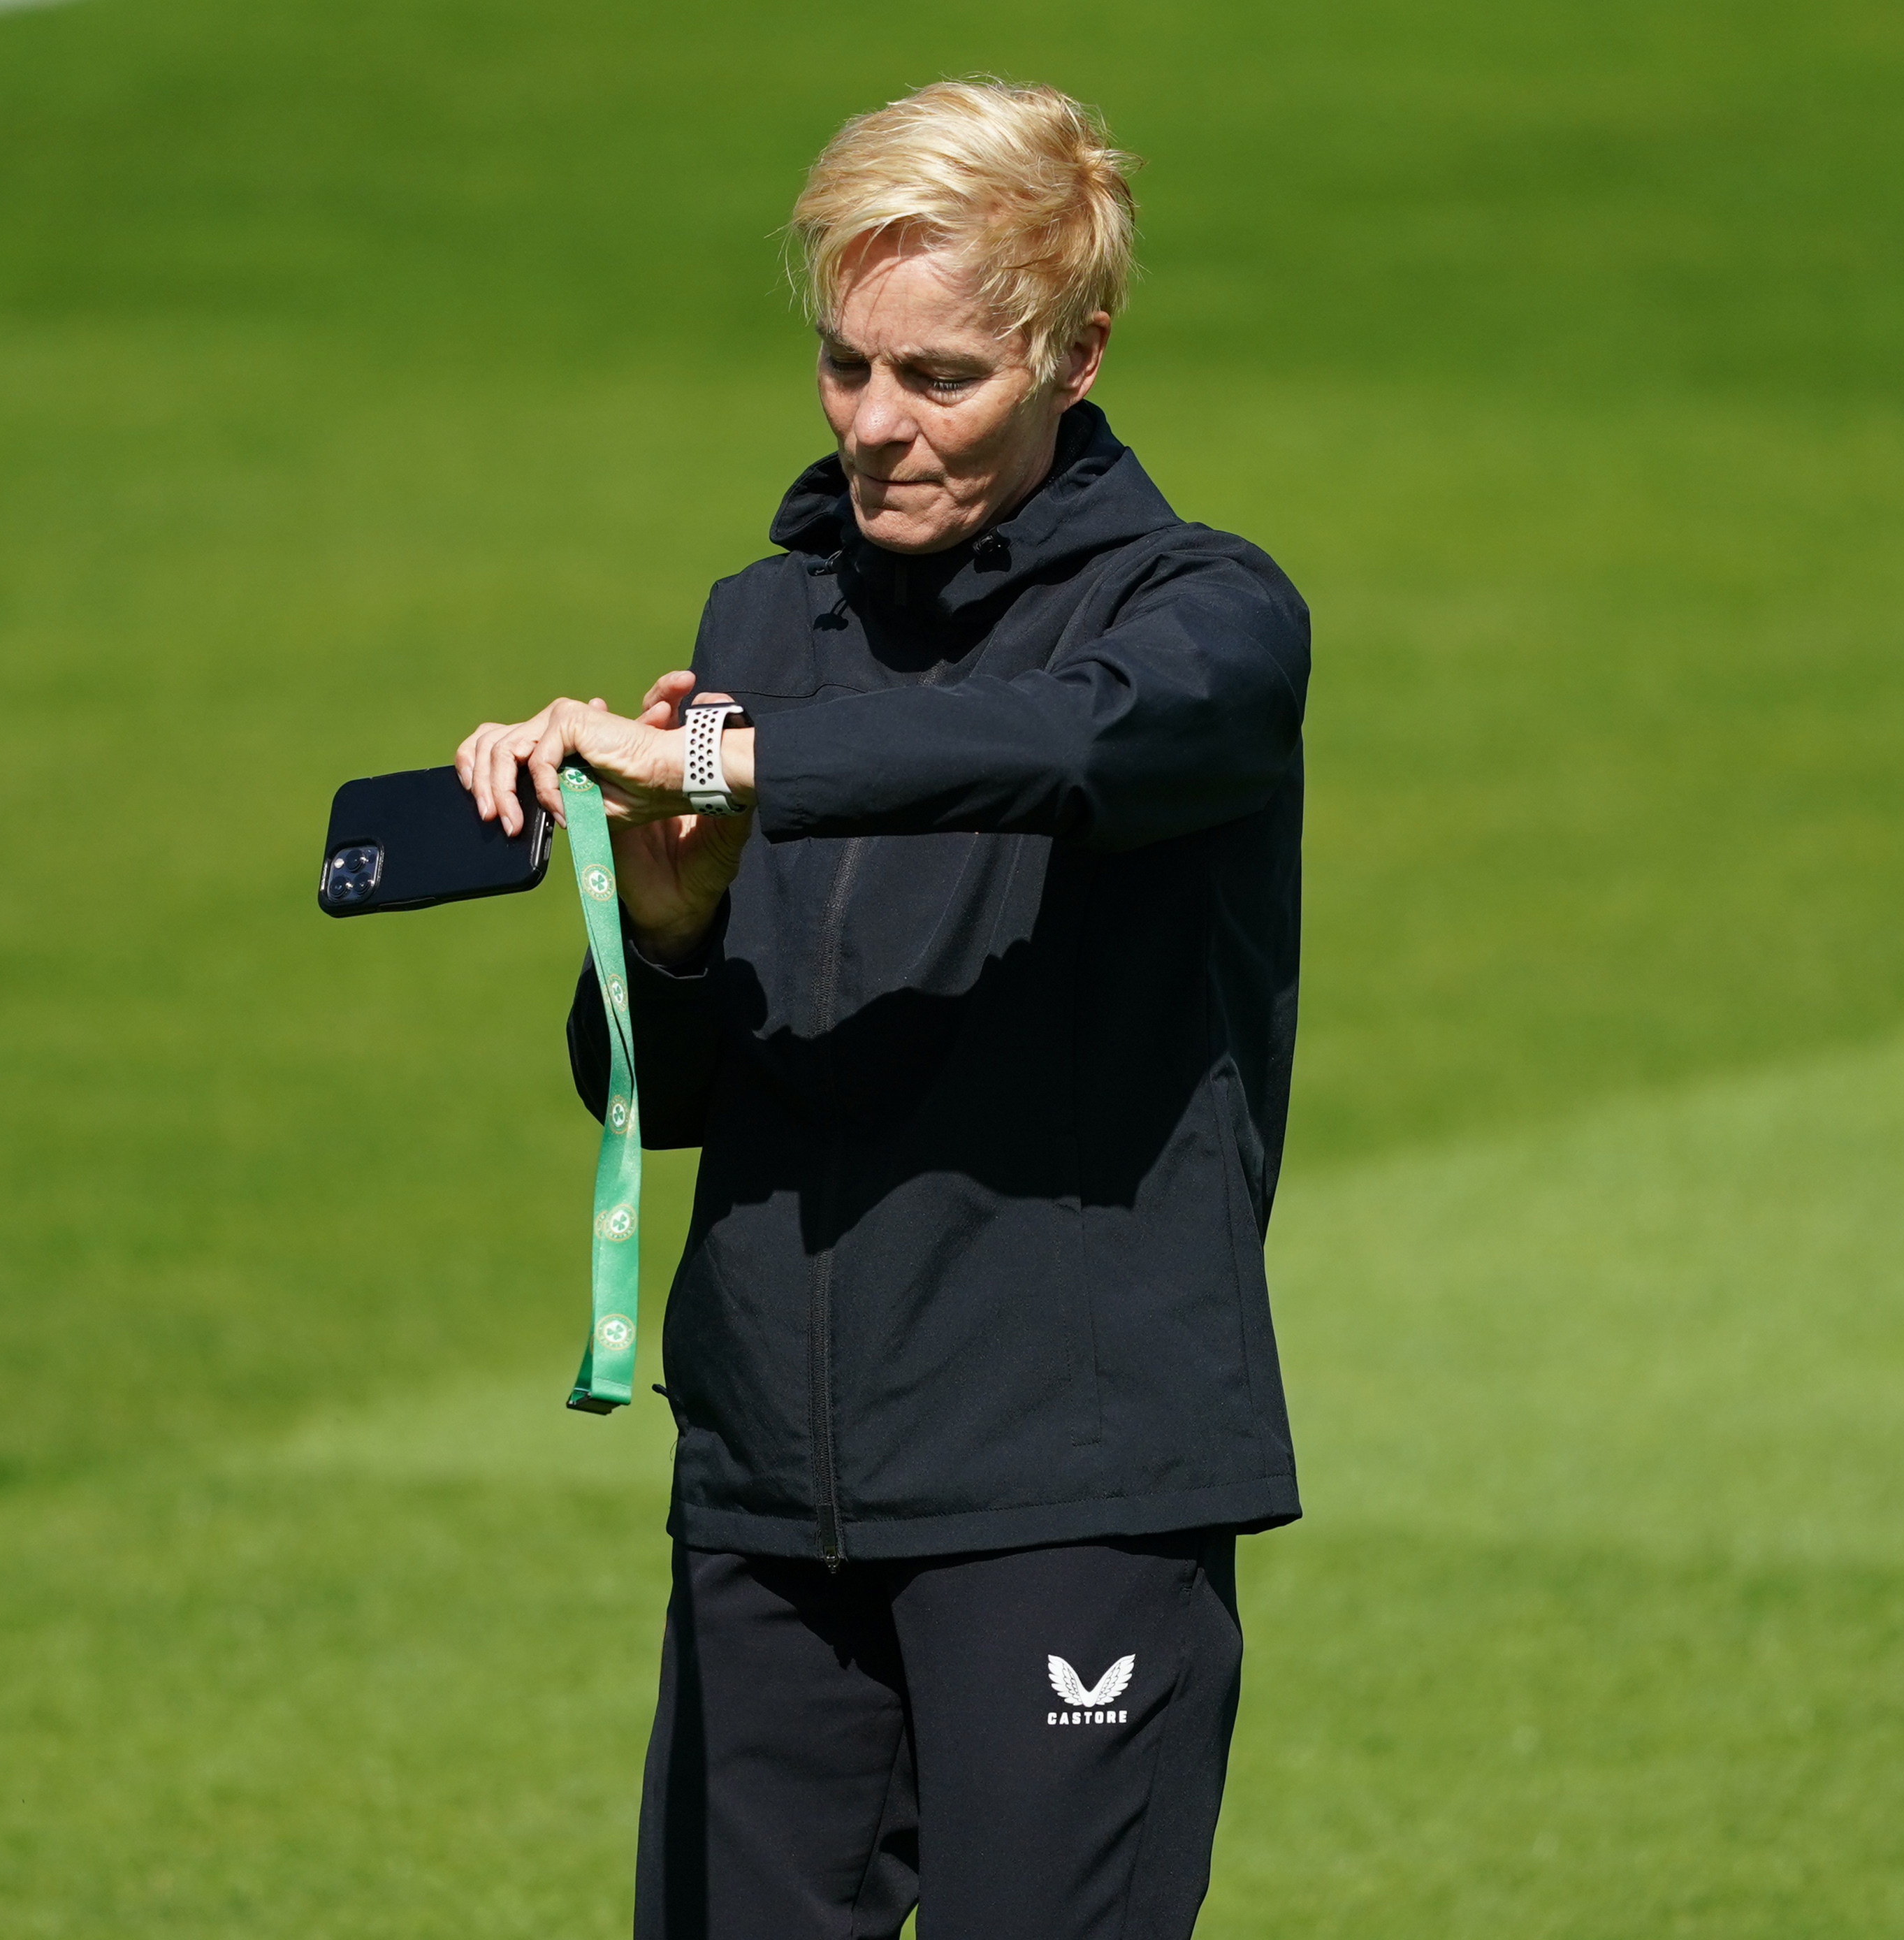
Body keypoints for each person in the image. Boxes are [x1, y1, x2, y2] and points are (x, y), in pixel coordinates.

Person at [453, 79, 1309, 1940]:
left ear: (1075, 355)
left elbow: (1077, 744)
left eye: (939, 377)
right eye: (844, 368)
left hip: (1060, 1489)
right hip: (770, 1489)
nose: (875, 428)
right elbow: (678, 1093)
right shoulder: (759, 633)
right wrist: (667, 933)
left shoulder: (1206, 621)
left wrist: (748, 760)